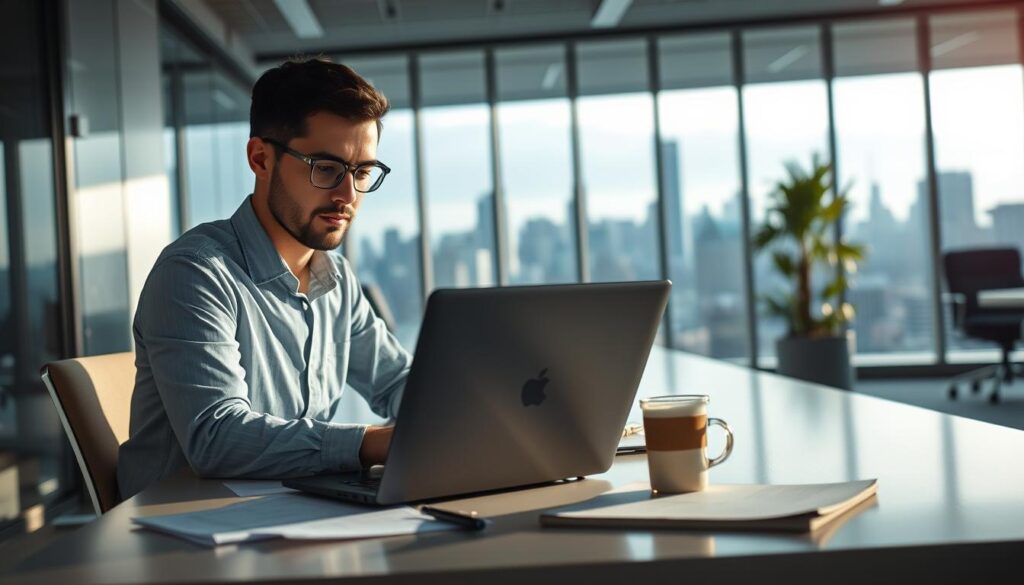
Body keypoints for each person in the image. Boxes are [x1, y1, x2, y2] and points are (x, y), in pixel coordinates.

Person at [117, 58, 408, 499]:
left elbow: (395, 381)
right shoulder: (196, 273)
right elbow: (217, 438)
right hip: (181, 538)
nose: (347, 196)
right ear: (260, 158)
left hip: (291, 516)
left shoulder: (337, 279)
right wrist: (368, 443)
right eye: (325, 168)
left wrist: (455, 421)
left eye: (362, 172)